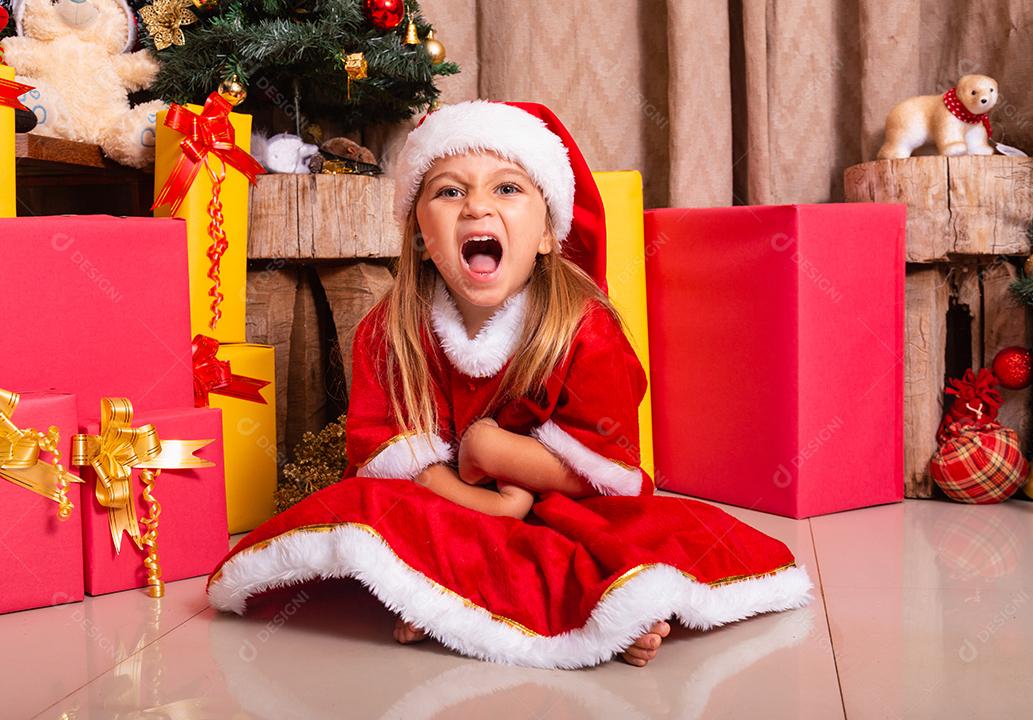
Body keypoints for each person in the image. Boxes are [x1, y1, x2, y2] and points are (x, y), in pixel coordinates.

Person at [206, 100, 812, 670]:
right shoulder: (387, 331)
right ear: (420, 234)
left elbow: (610, 469)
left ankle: (583, 610)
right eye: (449, 191)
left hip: (566, 506)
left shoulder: (584, 328)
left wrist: (500, 455)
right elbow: (385, 452)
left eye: (507, 188)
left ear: (548, 234)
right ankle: (450, 597)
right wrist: (486, 501)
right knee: (379, 513)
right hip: (445, 501)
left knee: (606, 542)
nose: (476, 207)